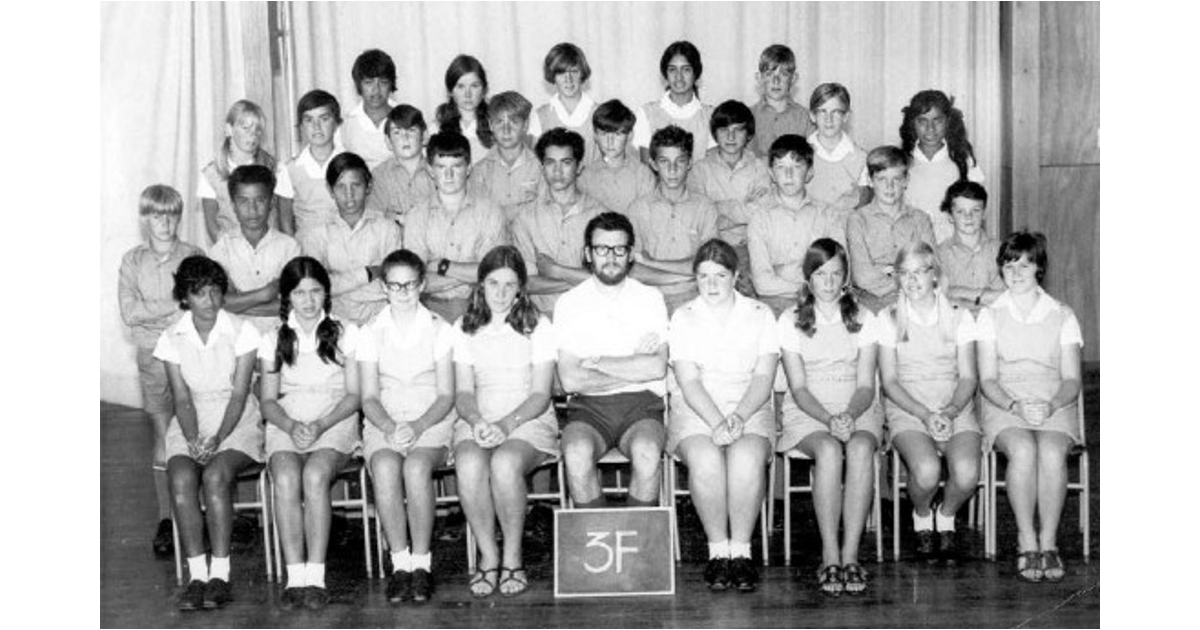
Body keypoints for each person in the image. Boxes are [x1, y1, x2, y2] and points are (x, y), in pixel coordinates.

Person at [153, 255, 263, 611]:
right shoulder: (171, 337)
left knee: (215, 475)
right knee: (182, 477)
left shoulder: (242, 330)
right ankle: (197, 575)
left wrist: (216, 439)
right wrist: (193, 438)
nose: (210, 301)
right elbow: (181, 398)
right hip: (191, 422)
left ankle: (220, 573)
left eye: (216, 291)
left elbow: (240, 393)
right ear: (185, 297)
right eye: (200, 293)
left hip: (236, 420)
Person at [668, 239, 778, 592]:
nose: (712, 284)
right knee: (706, 459)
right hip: (697, 407)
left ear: (736, 276)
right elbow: (688, 380)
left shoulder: (761, 314)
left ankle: (741, 552)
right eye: (703, 276)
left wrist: (739, 417)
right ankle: (718, 551)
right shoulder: (683, 317)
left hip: (749, 405)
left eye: (720, 275)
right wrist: (717, 422)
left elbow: (764, 377)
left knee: (746, 458)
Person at [451, 245, 559, 598]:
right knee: (468, 463)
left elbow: (541, 394)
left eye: (509, 285)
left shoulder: (538, 327)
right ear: (480, 285)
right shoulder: (463, 327)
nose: (500, 293)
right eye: (493, 283)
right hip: (479, 416)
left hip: (527, 418)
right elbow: (464, 393)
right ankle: (488, 555)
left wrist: (506, 426)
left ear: (521, 289)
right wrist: (478, 420)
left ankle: (513, 555)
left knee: (505, 462)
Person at [776, 238, 882, 596]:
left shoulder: (864, 317)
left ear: (846, 277)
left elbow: (867, 383)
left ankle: (851, 554)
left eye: (837, 274)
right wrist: (828, 418)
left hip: (856, 407)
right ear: (808, 278)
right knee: (828, 451)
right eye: (821, 274)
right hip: (809, 411)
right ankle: (830, 554)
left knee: (860, 450)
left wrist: (849, 415)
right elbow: (799, 388)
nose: (829, 282)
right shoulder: (789, 320)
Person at [976, 230, 1082, 584]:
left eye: (1025, 264)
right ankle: (1026, 539)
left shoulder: (1062, 315)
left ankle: (1049, 542)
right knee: (1022, 449)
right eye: (1009, 264)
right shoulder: (990, 315)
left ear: (1039, 268)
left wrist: (1049, 405)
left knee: (1051, 452)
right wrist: (1015, 405)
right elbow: (987, 379)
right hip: (1005, 401)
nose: (1016, 272)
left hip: (1053, 402)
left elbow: (1071, 380)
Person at [259, 256, 362, 611]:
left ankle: (316, 575)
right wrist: (290, 426)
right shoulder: (273, 338)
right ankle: (295, 575)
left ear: (326, 294)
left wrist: (319, 425)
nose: (308, 300)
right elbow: (268, 402)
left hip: (333, 420)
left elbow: (354, 395)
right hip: (288, 420)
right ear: (287, 297)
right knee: (287, 477)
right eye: (299, 293)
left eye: (316, 291)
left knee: (316, 475)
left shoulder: (346, 332)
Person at [358, 249, 456, 604]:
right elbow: (368, 396)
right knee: (384, 467)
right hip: (384, 421)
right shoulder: (370, 332)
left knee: (415, 467)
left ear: (422, 285)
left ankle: (422, 563)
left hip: (430, 420)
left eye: (410, 285)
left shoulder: (440, 329)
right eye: (395, 286)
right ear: (384, 287)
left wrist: (417, 425)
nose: (402, 293)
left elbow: (446, 395)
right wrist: (388, 426)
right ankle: (399, 563)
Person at [556, 212, 669, 509]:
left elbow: (657, 368)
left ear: (631, 254)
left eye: (619, 249)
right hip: (588, 406)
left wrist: (596, 361)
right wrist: (634, 365)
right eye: (601, 249)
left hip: (642, 405)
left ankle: (638, 550)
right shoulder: (569, 303)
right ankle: (596, 548)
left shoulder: (651, 298)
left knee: (647, 453)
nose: (611, 257)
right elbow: (570, 379)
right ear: (587, 254)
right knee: (576, 454)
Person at [877, 242, 980, 565]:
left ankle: (945, 515)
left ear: (934, 275)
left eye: (919, 272)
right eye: (904, 274)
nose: (912, 281)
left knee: (965, 474)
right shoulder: (889, 318)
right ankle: (922, 516)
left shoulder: (959, 316)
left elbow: (968, 378)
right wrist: (924, 414)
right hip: (909, 409)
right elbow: (890, 382)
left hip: (953, 406)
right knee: (926, 472)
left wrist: (949, 411)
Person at [118, 185, 204, 558]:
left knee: (200, 428)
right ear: (145, 219)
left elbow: (200, 309)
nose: (164, 222)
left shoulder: (192, 256)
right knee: (162, 434)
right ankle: (167, 519)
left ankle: (199, 512)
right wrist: (172, 310)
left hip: (192, 356)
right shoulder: (132, 261)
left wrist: (165, 311)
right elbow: (129, 313)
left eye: (171, 215)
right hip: (154, 358)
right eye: (157, 215)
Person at [404, 131, 507, 325]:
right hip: (428, 311)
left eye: (457, 166)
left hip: (480, 308)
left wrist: (442, 266)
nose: (449, 175)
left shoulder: (491, 212)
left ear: (468, 168)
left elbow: (494, 273)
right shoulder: (416, 216)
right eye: (441, 167)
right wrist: (472, 275)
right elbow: (414, 281)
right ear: (429, 170)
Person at [296, 152, 402, 326]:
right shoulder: (316, 233)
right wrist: (368, 273)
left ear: (368, 186)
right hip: (335, 322)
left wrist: (337, 286)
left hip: (381, 320)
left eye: (356, 185)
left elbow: (394, 284)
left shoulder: (387, 228)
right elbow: (316, 288)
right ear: (330, 190)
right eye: (340, 187)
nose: (349, 194)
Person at [510, 127, 606, 317]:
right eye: (550, 162)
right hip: (541, 318)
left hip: (591, 315)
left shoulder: (600, 215)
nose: (557, 170)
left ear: (579, 167)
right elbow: (525, 283)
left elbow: (610, 278)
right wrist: (583, 280)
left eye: (566, 162)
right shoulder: (526, 218)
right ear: (542, 167)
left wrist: (555, 270)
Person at [747, 135, 847, 316]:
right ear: (771, 174)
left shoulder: (828, 215)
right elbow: (762, 284)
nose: (788, 174)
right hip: (776, 304)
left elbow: (843, 272)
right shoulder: (760, 218)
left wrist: (818, 294)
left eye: (797, 167)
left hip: (823, 302)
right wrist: (808, 288)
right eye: (781, 167)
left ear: (809, 172)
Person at [627, 125, 721, 314]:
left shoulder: (705, 207)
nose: (672, 169)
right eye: (664, 161)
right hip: (650, 300)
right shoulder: (638, 209)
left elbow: (709, 265)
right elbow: (633, 270)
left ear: (690, 163)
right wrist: (684, 275)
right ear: (653, 164)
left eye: (680, 161)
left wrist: (652, 263)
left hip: (697, 299)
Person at [688, 99, 772, 295]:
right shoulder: (700, 169)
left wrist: (718, 207)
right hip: (712, 248)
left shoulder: (761, 167)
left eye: (738, 130)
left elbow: (760, 213)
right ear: (715, 133)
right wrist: (743, 206)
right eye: (724, 129)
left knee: (754, 295)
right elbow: (699, 217)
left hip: (751, 247)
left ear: (749, 134)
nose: (731, 136)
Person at [209, 165, 302, 333]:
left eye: (260, 200)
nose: (252, 210)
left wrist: (237, 303)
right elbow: (217, 301)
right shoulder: (222, 248)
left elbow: (295, 304)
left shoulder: (289, 247)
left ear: (272, 202)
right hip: (236, 337)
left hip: (280, 336)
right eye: (244, 201)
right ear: (233, 205)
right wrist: (266, 294)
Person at [846, 145, 935, 313]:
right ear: (870, 181)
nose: (889, 186)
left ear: (906, 181)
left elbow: (931, 268)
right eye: (881, 179)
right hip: (869, 304)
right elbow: (863, 277)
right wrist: (907, 275)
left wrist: (888, 273)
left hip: (913, 303)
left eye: (896, 179)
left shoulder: (920, 219)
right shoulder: (857, 219)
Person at [899, 89, 985, 243]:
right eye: (922, 121)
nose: (930, 128)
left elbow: (975, 206)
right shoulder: (902, 160)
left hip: (953, 243)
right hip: (913, 245)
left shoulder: (963, 159)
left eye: (937, 120)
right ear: (913, 124)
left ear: (948, 122)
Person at [199, 100, 287, 243]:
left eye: (257, 129)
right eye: (245, 128)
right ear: (229, 129)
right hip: (229, 252)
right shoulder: (211, 174)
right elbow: (212, 226)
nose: (252, 135)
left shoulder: (277, 169)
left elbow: (284, 221)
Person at [276, 90, 346, 234]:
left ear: (336, 123)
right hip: (306, 250)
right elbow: (285, 221)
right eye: (309, 120)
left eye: (324, 118)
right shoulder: (289, 169)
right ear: (301, 126)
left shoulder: (351, 164)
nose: (316, 126)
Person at [632, 41, 715, 163]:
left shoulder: (710, 116)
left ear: (696, 73)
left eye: (686, 69)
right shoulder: (647, 113)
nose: (679, 77)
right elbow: (646, 169)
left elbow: (712, 167)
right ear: (665, 73)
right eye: (672, 70)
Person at [468, 91, 542, 219]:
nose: (506, 130)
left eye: (513, 122)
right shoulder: (479, 171)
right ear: (491, 125)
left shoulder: (540, 167)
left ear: (525, 125)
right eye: (499, 122)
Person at [935, 181, 1005, 311]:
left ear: (984, 214)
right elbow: (940, 298)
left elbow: (1005, 297)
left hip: (993, 323)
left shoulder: (1000, 250)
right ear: (950, 216)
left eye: (976, 210)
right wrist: (983, 296)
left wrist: (958, 293)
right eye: (960, 211)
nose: (968, 217)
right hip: (956, 324)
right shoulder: (940, 254)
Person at [576, 99, 655, 213]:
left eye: (617, 134)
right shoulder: (585, 177)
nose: (610, 141)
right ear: (595, 136)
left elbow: (647, 218)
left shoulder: (643, 175)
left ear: (629, 136)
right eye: (604, 134)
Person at [365, 105, 436, 228]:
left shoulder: (439, 171)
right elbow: (373, 217)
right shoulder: (380, 175)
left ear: (424, 136)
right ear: (388, 141)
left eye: (411, 130)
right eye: (397, 132)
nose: (405, 138)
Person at [806, 83, 869, 215]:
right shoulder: (801, 153)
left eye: (836, 112)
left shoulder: (860, 158)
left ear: (846, 116)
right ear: (812, 115)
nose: (828, 119)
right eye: (822, 111)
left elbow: (864, 203)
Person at [527, 42, 599, 159]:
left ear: (582, 73)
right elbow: (536, 165)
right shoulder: (540, 116)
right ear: (553, 76)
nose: (568, 79)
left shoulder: (599, 113)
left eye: (574, 71)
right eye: (561, 72)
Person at [750, 44, 812, 157]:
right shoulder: (748, 117)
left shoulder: (806, 118)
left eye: (783, 74)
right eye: (769, 74)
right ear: (759, 78)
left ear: (793, 78)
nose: (776, 81)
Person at [342, 49, 400, 170]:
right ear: (359, 85)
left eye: (383, 82)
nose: (376, 90)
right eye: (368, 82)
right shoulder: (347, 125)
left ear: (391, 84)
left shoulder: (405, 119)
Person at [432, 54, 493, 165]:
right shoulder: (437, 127)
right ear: (450, 91)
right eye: (460, 87)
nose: (468, 94)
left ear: (484, 89)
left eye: (474, 86)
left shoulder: (495, 123)